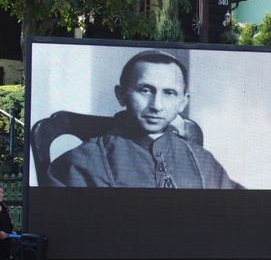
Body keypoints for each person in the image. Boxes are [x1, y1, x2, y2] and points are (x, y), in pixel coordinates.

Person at [47, 50, 240, 189]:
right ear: (121, 95)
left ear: (183, 102)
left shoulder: (204, 161)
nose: (156, 105)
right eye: (145, 90)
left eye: (169, 93)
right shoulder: (79, 163)